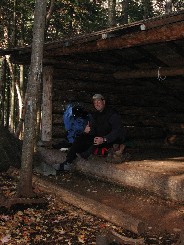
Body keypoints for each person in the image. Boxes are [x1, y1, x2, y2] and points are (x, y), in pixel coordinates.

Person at [53, 94, 126, 171]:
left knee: (95, 140)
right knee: (81, 138)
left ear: (103, 102)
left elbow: (117, 131)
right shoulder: (96, 115)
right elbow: (93, 132)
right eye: (95, 103)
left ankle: (85, 154)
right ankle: (67, 163)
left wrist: (104, 139)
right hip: (99, 139)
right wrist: (86, 131)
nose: (97, 104)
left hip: (111, 140)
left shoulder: (112, 114)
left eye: (98, 101)